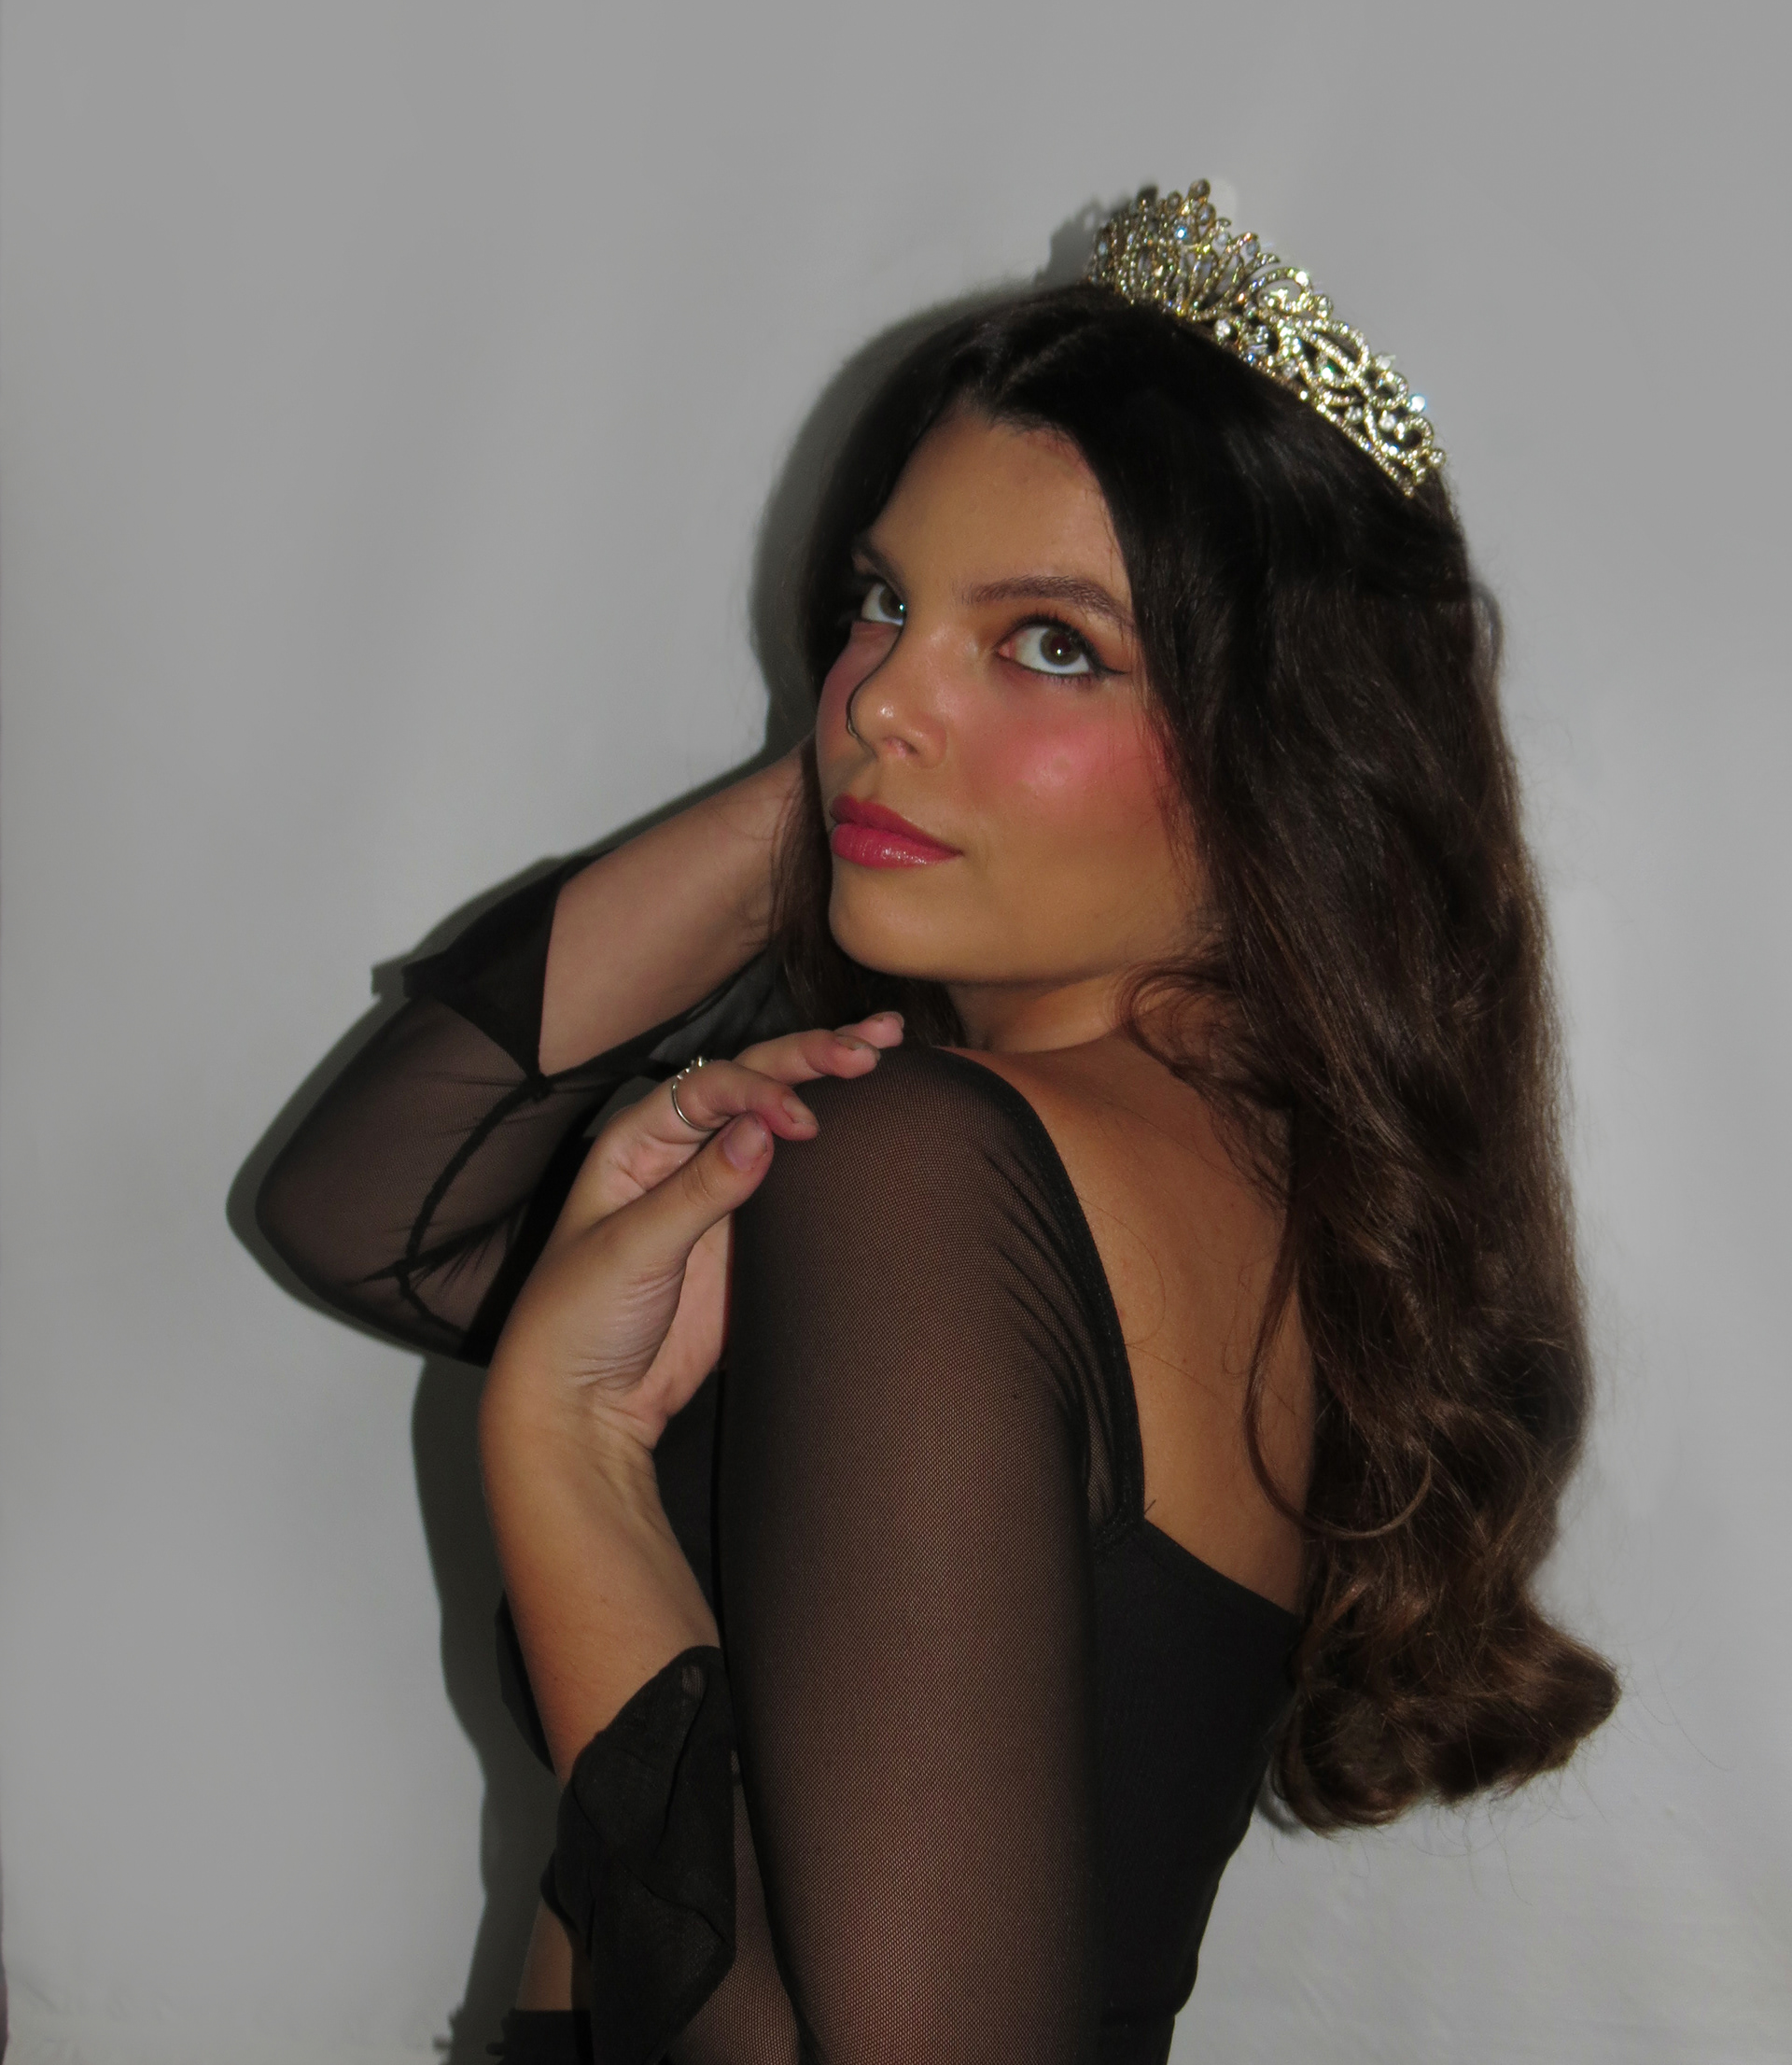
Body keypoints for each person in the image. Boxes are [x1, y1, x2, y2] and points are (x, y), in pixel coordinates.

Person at [255, 181, 1619, 2064]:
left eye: (1054, 644)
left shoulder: (932, 1166)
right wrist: (861, 769)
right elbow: (369, 1205)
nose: (887, 694)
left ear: (1285, 743)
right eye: (882, 604)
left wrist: (569, 1463)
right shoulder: (1222, 1153)